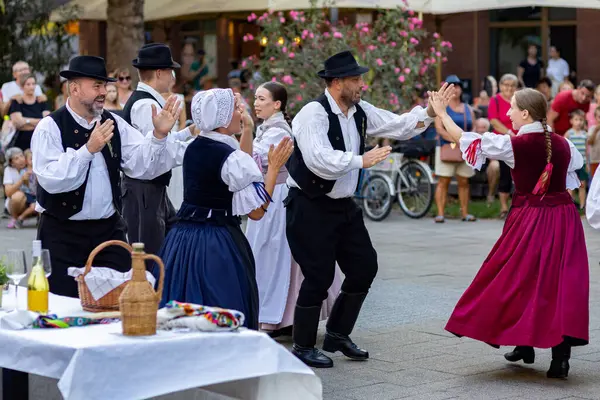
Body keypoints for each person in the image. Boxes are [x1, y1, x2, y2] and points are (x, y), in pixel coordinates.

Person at [285, 50, 437, 368]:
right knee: (318, 276)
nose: (361, 85)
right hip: (310, 206)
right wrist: (359, 160)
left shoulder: (359, 110)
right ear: (337, 82)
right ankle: (302, 345)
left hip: (343, 207)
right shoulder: (312, 114)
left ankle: (338, 334)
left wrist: (429, 113)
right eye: (356, 79)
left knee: (364, 267)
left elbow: (396, 125)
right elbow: (318, 159)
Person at [430, 85, 588, 380]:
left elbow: (463, 138)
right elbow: (572, 178)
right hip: (565, 219)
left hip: (531, 219)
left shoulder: (512, 145)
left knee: (518, 277)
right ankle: (549, 355)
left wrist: (441, 113)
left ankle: (529, 345)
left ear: (526, 113)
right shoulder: (564, 144)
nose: (507, 113)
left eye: (512, 107)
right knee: (558, 284)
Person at [31, 55, 188, 297]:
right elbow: (51, 179)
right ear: (74, 88)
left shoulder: (113, 122)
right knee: (62, 307)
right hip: (62, 234)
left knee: (120, 301)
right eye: (97, 86)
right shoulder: (50, 127)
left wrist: (158, 135)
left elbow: (142, 165)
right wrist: (87, 150)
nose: (104, 91)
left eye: (105, 85)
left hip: (108, 232)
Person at [158, 88, 294, 330]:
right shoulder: (230, 157)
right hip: (216, 243)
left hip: (182, 240)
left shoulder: (193, 147)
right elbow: (257, 211)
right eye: (234, 108)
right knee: (223, 308)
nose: (240, 112)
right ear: (222, 119)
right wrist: (273, 168)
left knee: (181, 306)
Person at [245, 81, 343, 337]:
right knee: (271, 256)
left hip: (276, 197)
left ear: (277, 104)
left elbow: (252, 159)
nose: (256, 103)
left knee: (277, 255)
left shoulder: (279, 132)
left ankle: (278, 317)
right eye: (255, 98)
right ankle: (278, 317)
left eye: (262, 98)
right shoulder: (266, 129)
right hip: (265, 195)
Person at [121, 43, 195, 256]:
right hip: (143, 189)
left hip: (150, 187)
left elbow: (163, 142)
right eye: (171, 71)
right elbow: (158, 151)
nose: (173, 76)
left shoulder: (148, 101)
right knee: (150, 256)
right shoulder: (146, 106)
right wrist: (200, 149)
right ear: (160, 72)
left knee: (167, 243)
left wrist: (189, 133)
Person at [434, 75, 476, 223]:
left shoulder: (467, 108)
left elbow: (474, 126)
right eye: (451, 86)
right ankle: (440, 213)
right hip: (447, 147)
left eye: (457, 86)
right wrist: (458, 140)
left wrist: (467, 141)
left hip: (464, 150)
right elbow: (439, 128)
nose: (455, 89)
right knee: (443, 181)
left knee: (464, 181)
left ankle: (465, 213)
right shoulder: (442, 108)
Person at [488, 74, 519, 219]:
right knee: (505, 173)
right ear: (500, 86)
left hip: (520, 141)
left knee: (520, 173)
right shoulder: (495, 100)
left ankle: (519, 206)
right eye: (506, 84)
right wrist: (508, 132)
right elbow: (493, 121)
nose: (509, 88)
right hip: (502, 142)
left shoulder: (519, 100)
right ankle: (504, 207)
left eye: (512, 85)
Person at [8, 75, 50, 151]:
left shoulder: (41, 101)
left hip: (40, 142)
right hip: (22, 143)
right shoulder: (17, 102)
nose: (32, 87)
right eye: (28, 84)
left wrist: (26, 121)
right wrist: (39, 122)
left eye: (33, 84)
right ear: (22, 87)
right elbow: (18, 123)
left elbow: (48, 121)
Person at [3, 147, 37, 229]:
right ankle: (14, 218)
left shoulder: (31, 167)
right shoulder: (9, 170)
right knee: (17, 196)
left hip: (32, 196)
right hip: (18, 202)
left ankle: (21, 218)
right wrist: (21, 180)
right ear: (11, 163)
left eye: (22, 156)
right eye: (16, 158)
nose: (21, 160)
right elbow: (8, 193)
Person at [565, 109, 589, 209]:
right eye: (576, 119)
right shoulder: (569, 134)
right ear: (571, 121)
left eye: (581, 120)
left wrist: (587, 163)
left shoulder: (585, 134)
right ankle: (570, 205)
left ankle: (582, 205)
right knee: (571, 185)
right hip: (571, 164)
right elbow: (565, 149)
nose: (578, 122)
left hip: (582, 163)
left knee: (582, 185)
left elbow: (587, 150)